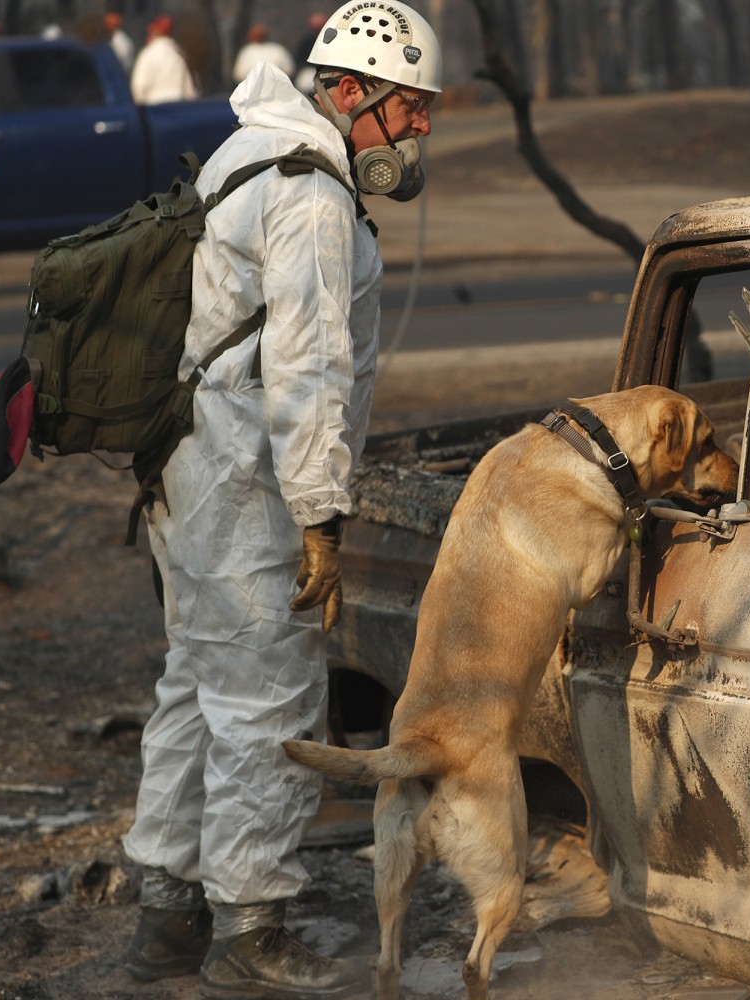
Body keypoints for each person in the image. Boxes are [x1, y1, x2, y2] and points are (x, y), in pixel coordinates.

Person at [119, 0, 439, 996]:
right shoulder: (308, 195)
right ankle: (251, 930)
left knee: (197, 686)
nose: (420, 129)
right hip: (248, 477)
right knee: (271, 698)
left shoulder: (249, 150)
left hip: (191, 465)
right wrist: (320, 520)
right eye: (409, 108)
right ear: (350, 93)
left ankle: (167, 917)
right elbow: (306, 371)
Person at [130, 14, 197, 104]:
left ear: (157, 31)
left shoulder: (148, 53)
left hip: (154, 109)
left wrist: (140, 110)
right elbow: (190, 90)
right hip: (179, 107)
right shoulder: (178, 54)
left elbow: (138, 86)